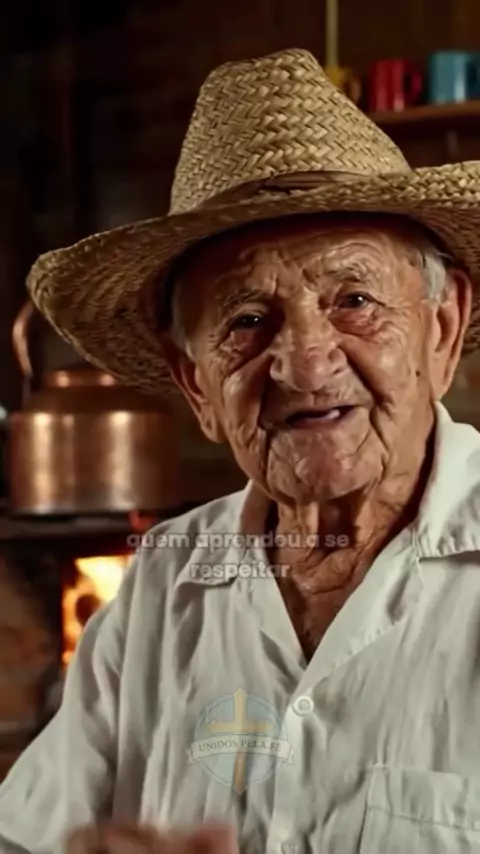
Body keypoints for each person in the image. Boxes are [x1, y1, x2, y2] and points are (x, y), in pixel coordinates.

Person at [1, 46, 480, 854]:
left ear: (442, 329)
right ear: (196, 383)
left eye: (354, 300)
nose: (304, 362)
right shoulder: (160, 588)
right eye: (247, 320)